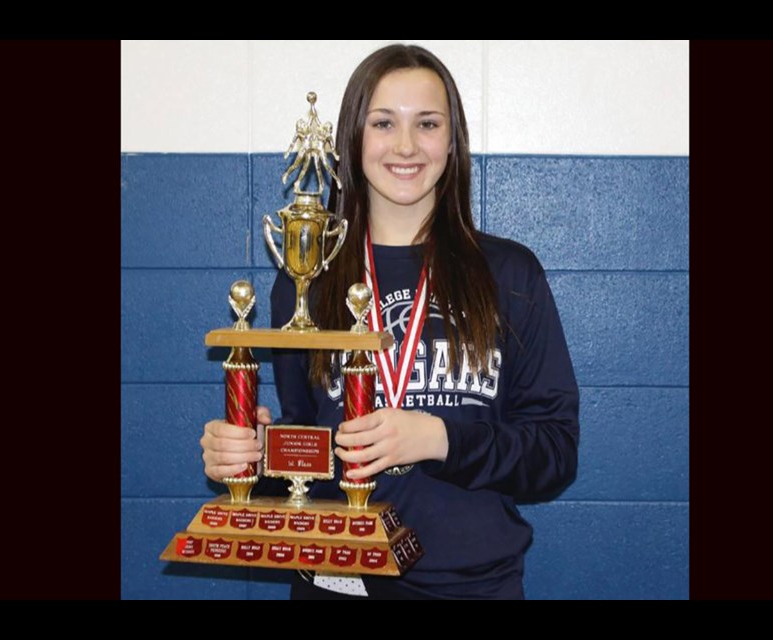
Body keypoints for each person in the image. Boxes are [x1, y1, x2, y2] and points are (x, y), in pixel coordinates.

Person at [200, 44, 579, 600]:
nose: (406, 146)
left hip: (472, 587)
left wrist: (441, 438)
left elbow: (555, 453)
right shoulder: (303, 285)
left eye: (427, 123)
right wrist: (251, 456)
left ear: (453, 141)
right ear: (353, 138)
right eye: (383, 123)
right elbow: (304, 447)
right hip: (334, 583)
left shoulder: (509, 273)